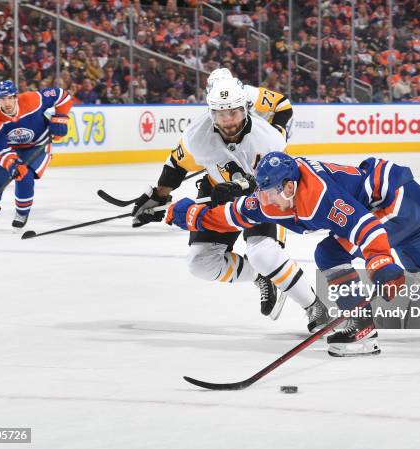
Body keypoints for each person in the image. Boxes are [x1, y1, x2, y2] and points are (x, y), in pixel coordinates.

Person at [165, 152, 420, 357]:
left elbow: (365, 228)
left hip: (393, 206)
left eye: (273, 194)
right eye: (263, 194)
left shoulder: (318, 197)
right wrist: (181, 212)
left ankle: (361, 328)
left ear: (291, 185)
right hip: (409, 200)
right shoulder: (274, 196)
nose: (267, 202)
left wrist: (380, 264)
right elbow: (231, 214)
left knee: (328, 252)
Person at [130, 78, 328, 332]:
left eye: (233, 112)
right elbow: (176, 165)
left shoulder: (268, 139)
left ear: (245, 109)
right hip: (218, 190)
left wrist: (244, 187)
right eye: (220, 114)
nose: (228, 121)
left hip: (262, 196)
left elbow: (281, 182)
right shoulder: (196, 136)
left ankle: (314, 306)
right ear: (211, 113)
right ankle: (259, 276)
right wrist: (158, 196)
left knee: (263, 253)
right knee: (200, 264)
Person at [0, 80, 72, 229]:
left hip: (38, 145)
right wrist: (12, 164)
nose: (7, 103)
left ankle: (22, 212)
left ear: (16, 97)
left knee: (25, 177)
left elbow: (63, 96)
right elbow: (1, 151)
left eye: (10, 97)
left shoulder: (33, 99)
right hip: (12, 150)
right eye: (2, 99)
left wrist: (60, 118)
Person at [205, 68, 293, 138]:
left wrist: (276, 128)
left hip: (268, 125)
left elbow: (283, 105)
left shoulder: (251, 93)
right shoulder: (215, 103)